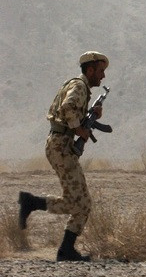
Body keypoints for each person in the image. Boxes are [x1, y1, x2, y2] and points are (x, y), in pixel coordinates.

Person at [18, 51, 109, 262]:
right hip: (61, 146)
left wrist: (92, 115)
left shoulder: (79, 87)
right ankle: (64, 248)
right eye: (101, 71)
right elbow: (67, 107)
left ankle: (34, 206)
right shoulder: (79, 86)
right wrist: (79, 129)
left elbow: (71, 111)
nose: (103, 76)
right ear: (90, 70)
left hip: (61, 146)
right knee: (82, 203)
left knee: (78, 203)